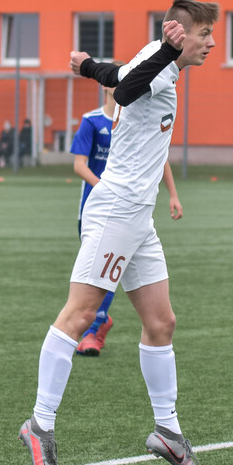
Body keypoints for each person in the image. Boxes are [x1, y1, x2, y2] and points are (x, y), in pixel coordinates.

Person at [19, 0, 218, 465]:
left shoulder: (156, 56)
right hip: (114, 211)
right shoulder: (161, 63)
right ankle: (39, 426)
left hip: (139, 217)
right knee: (80, 314)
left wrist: (88, 66)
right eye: (204, 35)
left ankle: (168, 432)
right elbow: (127, 89)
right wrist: (162, 57)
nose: (211, 43)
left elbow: (117, 74)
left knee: (161, 321)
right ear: (177, 33)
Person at [70, 81, 183, 357]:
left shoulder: (137, 120)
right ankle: (97, 322)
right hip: (96, 211)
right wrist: (106, 191)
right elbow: (79, 165)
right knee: (100, 272)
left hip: (129, 212)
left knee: (109, 271)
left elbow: (160, 158)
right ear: (105, 88)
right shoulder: (92, 121)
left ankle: (93, 329)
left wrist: (173, 195)